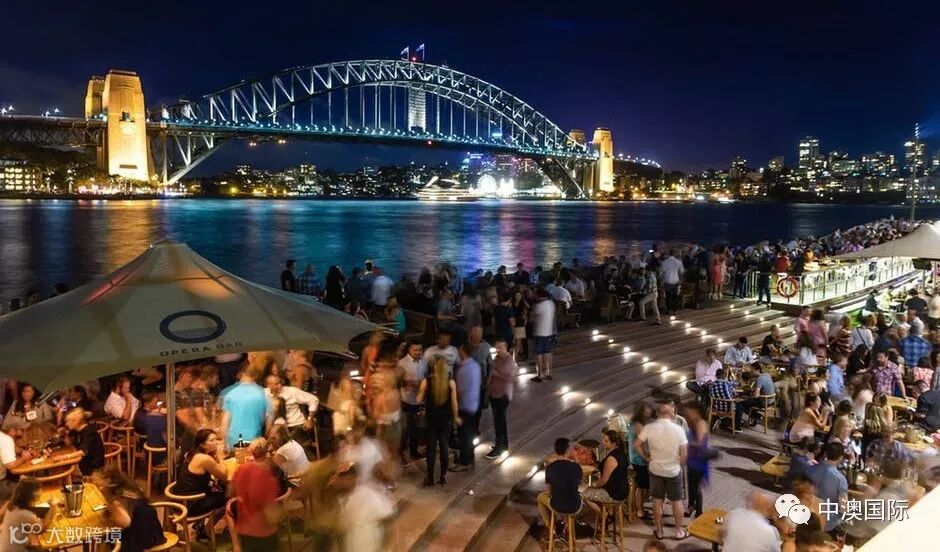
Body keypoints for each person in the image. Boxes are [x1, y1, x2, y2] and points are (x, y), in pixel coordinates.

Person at [635, 403, 689, 540]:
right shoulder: (678, 429)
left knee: (657, 500)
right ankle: (679, 531)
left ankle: (659, 532)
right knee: (677, 501)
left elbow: (637, 444)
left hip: (655, 469)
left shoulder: (649, 427)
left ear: (658, 414)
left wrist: (645, 457)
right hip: (673, 470)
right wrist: (680, 465)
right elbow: (684, 452)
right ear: (672, 414)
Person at [96, 466, 165, 552]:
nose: (99, 488)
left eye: (99, 485)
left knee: (106, 537)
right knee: (108, 534)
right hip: (153, 530)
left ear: (108, 481)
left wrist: (110, 507)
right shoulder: (129, 489)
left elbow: (125, 523)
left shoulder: (117, 500)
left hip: (143, 538)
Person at [231, 442, 283, 552]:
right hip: (264, 533)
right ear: (268, 456)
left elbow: (230, 491)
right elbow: (271, 517)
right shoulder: (268, 480)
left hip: (244, 530)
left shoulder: (242, 469)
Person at [332, 463, 395, 552]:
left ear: (350, 478)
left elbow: (387, 520)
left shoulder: (370, 495)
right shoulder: (341, 498)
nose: (336, 481)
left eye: (340, 479)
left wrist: (384, 547)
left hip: (369, 548)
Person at [417, 358, 460, 486]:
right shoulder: (451, 383)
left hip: (431, 419)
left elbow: (419, 399)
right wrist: (456, 417)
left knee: (431, 448)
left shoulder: (427, 381)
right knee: (444, 446)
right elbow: (454, 404)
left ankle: (430, 477)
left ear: (434, 368)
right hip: (445, 419)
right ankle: (443, 476)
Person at [174, 428, 228, 517]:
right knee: (228, 494)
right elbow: (224, 475)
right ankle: (211, 524)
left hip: (181, 500)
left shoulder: (190, 453)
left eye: (216, 439)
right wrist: (220, 455)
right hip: (191, 504)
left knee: (220, 488)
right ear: (202, 445)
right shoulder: (203, 459)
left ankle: (208, 523)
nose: (216, 443)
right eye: (212, 440)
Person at [222, 363, 272, 449]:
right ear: (256, 376)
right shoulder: (263, 394)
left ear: (241, 374)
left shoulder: (230, 394)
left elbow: (225, 423)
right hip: (254, 441)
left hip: (233, 440)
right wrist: (266, 437)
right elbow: (269, 419)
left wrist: (224, 443)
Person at [537, 437, 583, 531]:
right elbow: (580, 485)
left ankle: (551, 527)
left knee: (540, 497)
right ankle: (567, 522)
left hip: (557, 505)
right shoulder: (576, 466)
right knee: (572, 494)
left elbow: (549, 492)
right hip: (575, 506)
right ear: (567, 450)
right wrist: (576, 459)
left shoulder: (550, 467)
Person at [582, 430, 629, 515]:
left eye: (606, 441)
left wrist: (593, 486)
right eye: (603, 440)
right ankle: (607, 513)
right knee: (590, 489)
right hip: (622, 489)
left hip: (614, 493)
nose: (603, 443)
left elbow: (604, 480)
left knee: (584, 494)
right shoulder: (620, 452)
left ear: (614, 443)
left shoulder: (612, 458)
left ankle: (604, 516)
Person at [807, 442, 849, 535]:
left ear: (826, 454)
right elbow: (843, 508)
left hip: (806, 518)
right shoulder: (840, 479)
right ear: (841, 458)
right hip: (827, 524)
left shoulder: (809, 470)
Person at [0, 480, 53, 552]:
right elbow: (43, 528)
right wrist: (53, 507)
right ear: (30, 495)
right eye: (37, 489)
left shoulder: (12, 506)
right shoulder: (24, 514)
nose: (40, 491)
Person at [264, 374, 318, 445]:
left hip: (295, 425)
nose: (280, 385)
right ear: (269, 385)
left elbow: (313, 399)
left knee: (287, 445)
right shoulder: (263, 394)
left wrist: (310, 419)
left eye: (280, 382)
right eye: (276, 384)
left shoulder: (292, 391)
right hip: (275, 427)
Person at [486, 338, 517, 459]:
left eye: (500, 347)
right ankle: (503, 444)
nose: (498, 350)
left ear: (506, 348)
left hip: (502, 395)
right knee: (498, 421)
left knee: (499, 422)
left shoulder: (509, 360)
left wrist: (495, 373)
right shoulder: (497, 358)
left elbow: (509, 377)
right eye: (497, 347)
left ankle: (499, 448)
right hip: (494, 393)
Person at [453, 344, 481, 471]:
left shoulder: (463, 369)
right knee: (469, 434)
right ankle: (469, 459)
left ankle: (465, 462)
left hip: (465, 406)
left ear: (463, 352)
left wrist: (454, 404)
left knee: (465, 435)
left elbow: (460, 391)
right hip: (474, 404)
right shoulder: (476, 366)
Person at [397, 339, 426, 464]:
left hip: (419, 400)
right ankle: (400, 454)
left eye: (420, 350)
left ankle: (414, 452)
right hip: (406, 400)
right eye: (415, 350)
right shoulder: (402, 363)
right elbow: (397, 382)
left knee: (416, 429)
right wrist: (408, 383)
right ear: (409, 350)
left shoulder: (424, 362)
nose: (418, 352)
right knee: (405, 429)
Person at [682, 402, 710, 518]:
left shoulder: (700, 423)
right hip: (693, 458)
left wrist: (684, 443)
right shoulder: (693, 422)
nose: (687, 412)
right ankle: (691, 506)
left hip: (698, 459)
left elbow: (699, 443)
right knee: (691, 485)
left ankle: (699, 510)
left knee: (696, 485)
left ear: (696, 411)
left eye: (689, 410)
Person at [60, 407, 105, 476]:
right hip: (83, 464)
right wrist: (65, 434)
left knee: (65, 471)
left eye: (68, 421)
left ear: (76, 421)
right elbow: (68, 444)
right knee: (64, 470)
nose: (66, 424)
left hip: (93, 468)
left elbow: (83, 452)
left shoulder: (89, 431)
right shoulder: (76, 430)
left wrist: (64, 457)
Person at [628, 401, 653, 520]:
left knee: (641, 485)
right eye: (647, 410)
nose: (649, 411)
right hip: (639, 459)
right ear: (641, 412)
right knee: (641, 486)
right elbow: (640, 445)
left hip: (635, 458)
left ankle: (639, 507)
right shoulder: (639, 426)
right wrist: (646, 458)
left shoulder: (634, 423)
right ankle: (639, 510)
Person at [530, 288, 557, 382]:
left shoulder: (538, 306)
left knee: (539, 354)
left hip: (539, 333)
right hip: (549, 332)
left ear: (539, 296)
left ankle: (540, 375)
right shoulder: (551, 304)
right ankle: (549, 373)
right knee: (548, 353)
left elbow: (531, 319)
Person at [660, 250, 683, 314]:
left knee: (668, 297)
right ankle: (675, 310)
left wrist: (661, 282)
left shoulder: (664, 262)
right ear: (674, 254)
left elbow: (662, 274)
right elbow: (681, 272)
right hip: (676, 281)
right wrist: (680, 281)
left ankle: (668, 310)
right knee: (675, 297)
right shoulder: (678, 262)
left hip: (667, 281)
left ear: (669, 254)